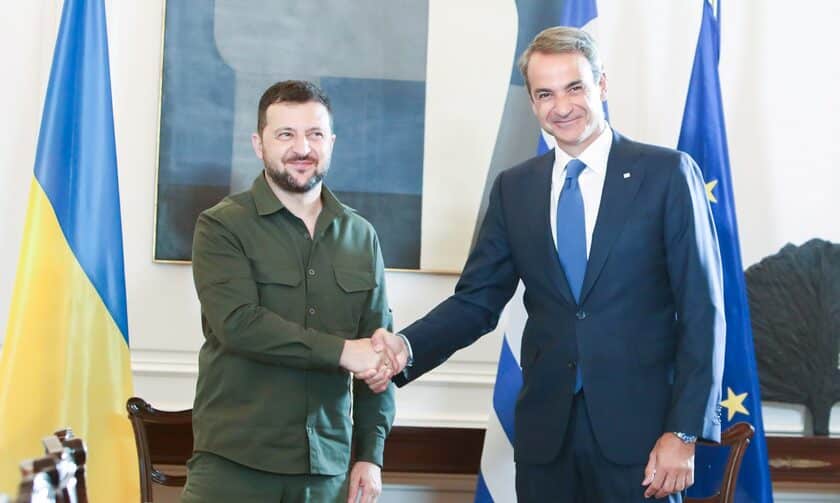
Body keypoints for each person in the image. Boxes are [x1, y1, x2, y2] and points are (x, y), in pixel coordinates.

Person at [360, 27, 725, 502]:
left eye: (575, 87)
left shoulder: (667, 174)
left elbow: (703, 311)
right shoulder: (516, 188)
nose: (562, 106)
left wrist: (684, 431)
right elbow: (476, 302)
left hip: (643, 440)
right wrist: (406, 348)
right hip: (545, 440)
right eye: (545, 94)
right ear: (533, 103)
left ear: (602, 85)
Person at [184, 80, 395, 503]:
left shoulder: (361, 235)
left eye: (315, 134)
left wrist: (370, 455)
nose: (302, 148)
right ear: (258, 144)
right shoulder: (222, 225)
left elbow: (379, 352)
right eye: (286, 134)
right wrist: (342, 351)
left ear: (331, 143)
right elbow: (239, 325)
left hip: (327, 471)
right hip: (235, 463)